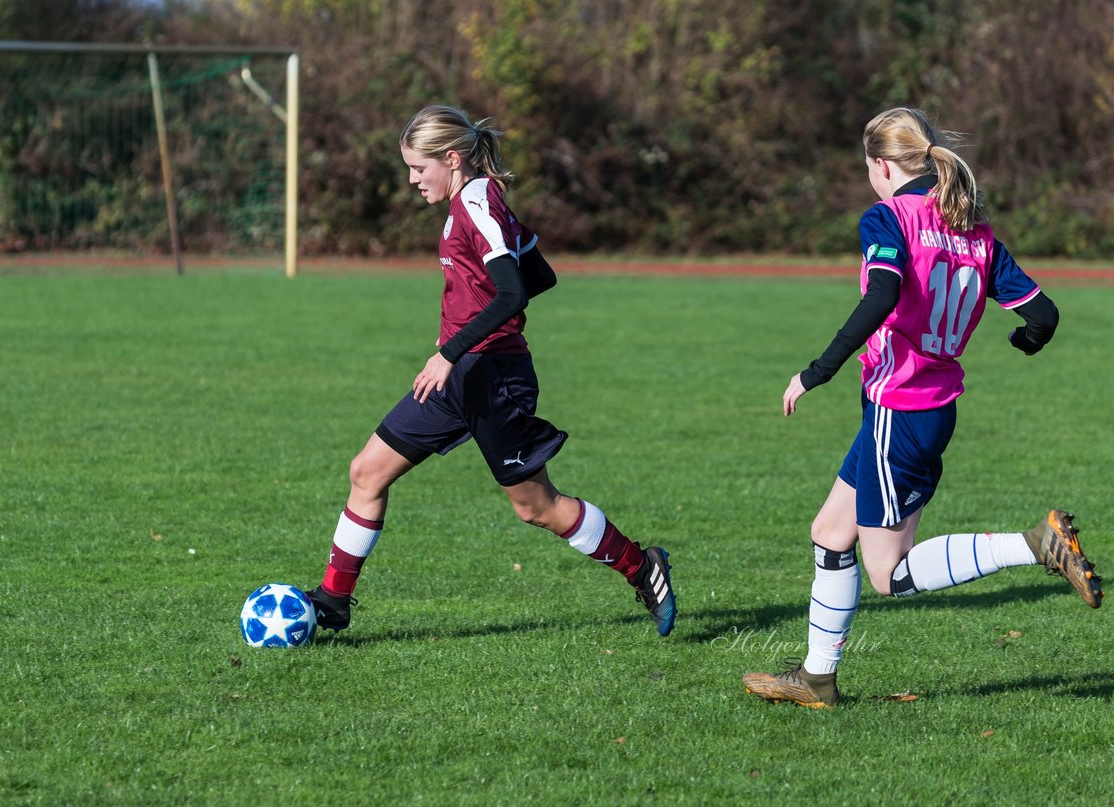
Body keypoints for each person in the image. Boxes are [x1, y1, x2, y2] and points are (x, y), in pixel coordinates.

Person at [742, 106, 1101, 708]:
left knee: (891, 573)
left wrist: (816, 371)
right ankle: (817, 680)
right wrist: (1025, 340)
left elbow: (881, 293)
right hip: (933, 409)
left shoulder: (888, 217)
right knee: (831, 532)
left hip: (897, 409)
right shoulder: (973, 226)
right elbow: (1044, 315)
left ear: (882, 166)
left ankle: (1037, 543)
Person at [305, 104, 676, 636]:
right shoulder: (478, 203)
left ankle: (643, 568)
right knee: (366, 471)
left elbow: (514, 292)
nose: (412, 181)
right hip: (459, 375)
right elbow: (540, 275)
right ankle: (334, 600)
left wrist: (452, 349)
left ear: (451, 159)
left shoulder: (476, 205)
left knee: (537, 507)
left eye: (418, 168)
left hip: (492, 377)